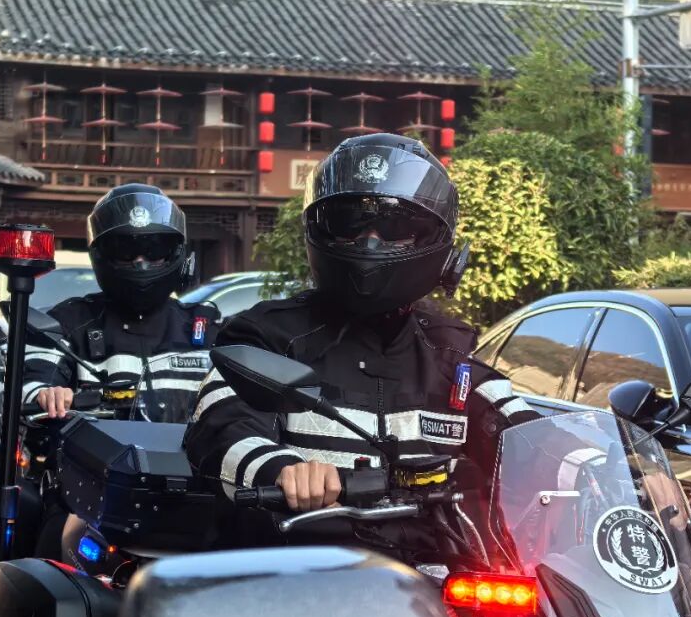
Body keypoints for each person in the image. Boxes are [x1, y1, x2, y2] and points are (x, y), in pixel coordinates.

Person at [184, 133, 540, 516]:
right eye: (349, 223)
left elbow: (528, 435)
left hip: (433, 552)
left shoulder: (450, 354)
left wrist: (573, 460)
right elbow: (221, 426)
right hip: (300, 546)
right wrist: (282, 469)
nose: (370, 243)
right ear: (318, 230)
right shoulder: (268, 335)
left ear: (439, 243)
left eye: (396, 228)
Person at [22, 184, 218, 423]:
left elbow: (242, 399)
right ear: (101, 255)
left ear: (176, 252)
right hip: (93, 447)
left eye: (154, 250)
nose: (141, 263)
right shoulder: (69, 322)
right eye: (125, 251)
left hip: (187, 448)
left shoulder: (204, 326)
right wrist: (48, 394)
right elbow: (34, 381)